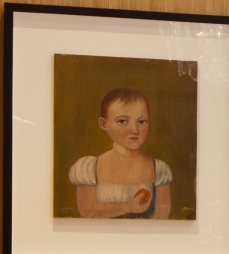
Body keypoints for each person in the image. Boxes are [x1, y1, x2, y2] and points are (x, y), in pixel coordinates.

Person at [69, 87, 173, 219]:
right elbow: (87, 212)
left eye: (141, 122)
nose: (134, 130)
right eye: (122, 121)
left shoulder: (159, 170)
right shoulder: (89, 168)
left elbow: (161, 217)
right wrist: (128, 206)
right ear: (103, 124)